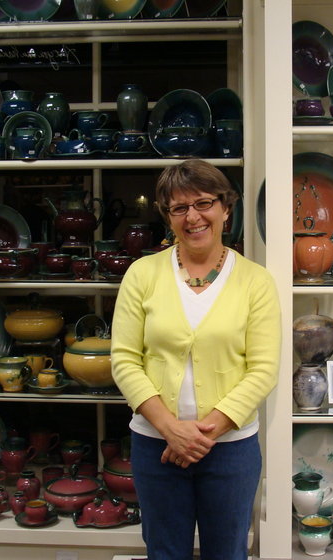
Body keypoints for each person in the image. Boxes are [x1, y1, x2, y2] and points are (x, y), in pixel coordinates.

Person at [111, 159, 281, 560]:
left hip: (231, 450)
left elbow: (264, 369)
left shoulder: (255, 280)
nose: (193, 217)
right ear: (167, 216)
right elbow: (124, 360)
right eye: (179, 208)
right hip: (156, 446)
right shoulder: (142, 274)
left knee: (228, 552)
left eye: (204, 203)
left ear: (226, 207)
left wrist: (201, 435)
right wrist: (171, 430)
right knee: (165, 552)